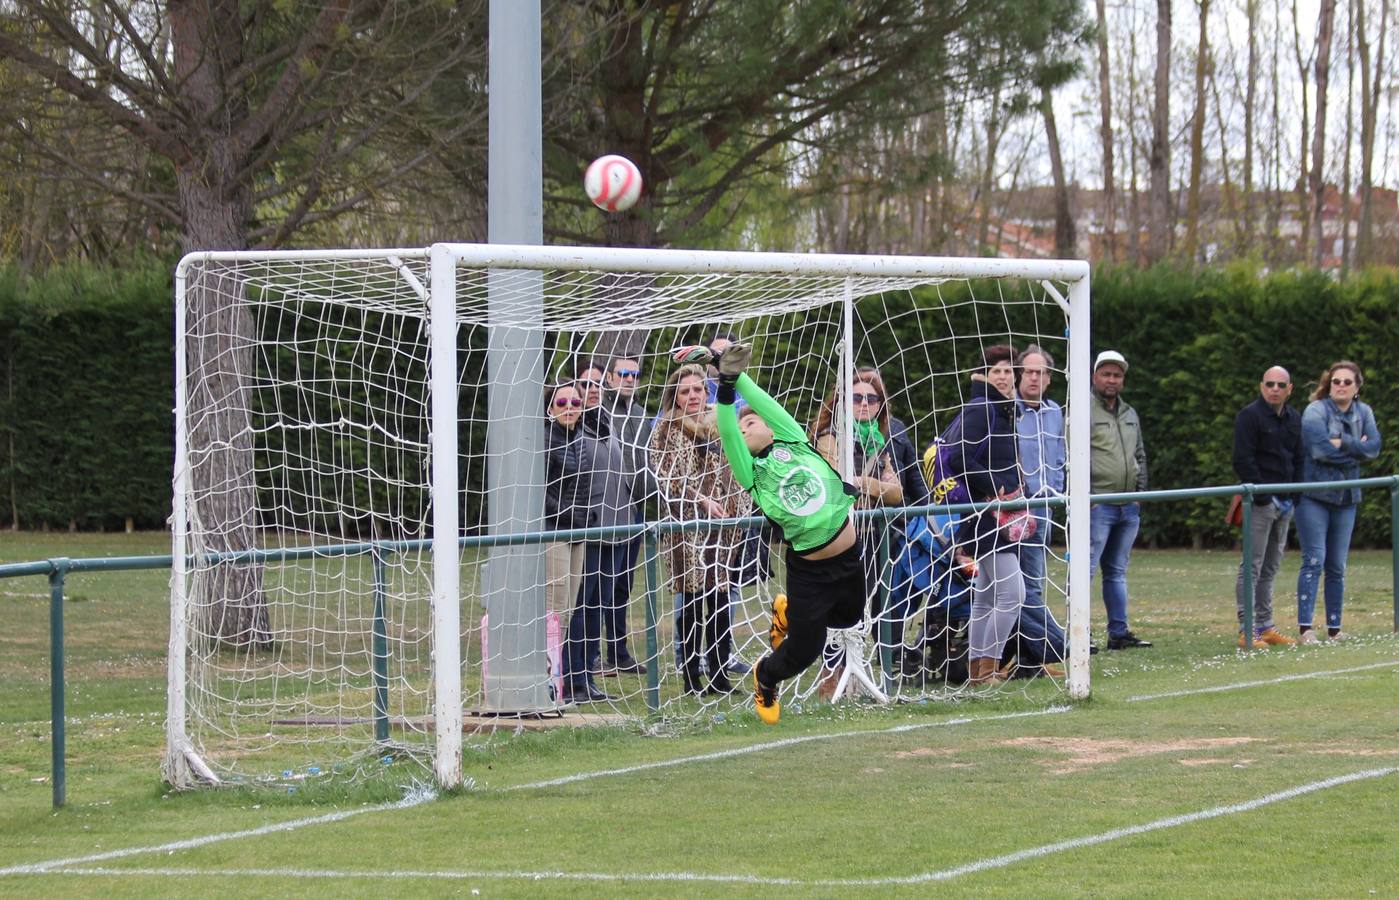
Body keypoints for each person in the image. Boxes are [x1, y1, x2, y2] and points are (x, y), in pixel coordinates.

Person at [675, 342, 865, 725]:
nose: (744, 428)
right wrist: (723, 388)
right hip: (810, 571)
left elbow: (761, 401)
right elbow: (727, 427)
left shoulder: (793, 439)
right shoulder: (752, 473)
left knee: (850, 618)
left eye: (752, 422)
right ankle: (765, 677)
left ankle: (789, 613)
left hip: (849, 557)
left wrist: (728, 369)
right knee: (802, 653)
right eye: (741, 427)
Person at [648, 363, 751, 695]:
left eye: (697, 389)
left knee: (720, 600)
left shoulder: (721, 423)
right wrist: (701, 500)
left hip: (721, 528)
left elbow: (734, 464)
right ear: (675, 397)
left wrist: (738, 501)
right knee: (691, 602)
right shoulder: (666, 429)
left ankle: (720, 673)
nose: (692, 396)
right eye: (684, 391)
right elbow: (665, 475)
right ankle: (691, 677)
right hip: (686, 527)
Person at [946, 344, 1029, 685]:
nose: (1004, 375)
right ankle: (988, 668)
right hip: (989, 514)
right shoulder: (982, 407)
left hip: (993, 513)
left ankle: (979, 671)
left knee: (986, 595)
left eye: (1009, 370)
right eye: (996, 370)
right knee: (1013, 595)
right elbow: (957, 458)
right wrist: (995, 487)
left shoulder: (1003, 409)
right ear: (984, 375)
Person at [1295, 361, 1381, 644]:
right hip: (1315, 496)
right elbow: (1318, 450)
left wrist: (1342, 442)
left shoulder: (1364, 411)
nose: (1341, 386)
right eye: (1336, 381)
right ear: (1328, 384)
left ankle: (1335, 629)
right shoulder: (1315, 411)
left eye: (1347, 382)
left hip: (1347, 497)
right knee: (1314, 560)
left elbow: (1374, 449)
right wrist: (1356, 449)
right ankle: (1306, 629)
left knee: (1337, 565)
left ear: (1357, 387)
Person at [543, 381, 613, 704]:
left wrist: (586, 518)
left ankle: (565, 681)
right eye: (562, 402)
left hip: (577, 533)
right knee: (554, 610)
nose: (569, 407)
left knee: (569, 610)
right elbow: (542, 495)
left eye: (575, 402)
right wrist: (571, 517)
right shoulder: (545, 441)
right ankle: (550, 683)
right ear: (550, 407)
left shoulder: (582, 441)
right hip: (556, 532)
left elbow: (584, 489)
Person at [1231, 366, 1304, 648]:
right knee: (1252, 564)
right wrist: (1261, 496)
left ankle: (1265, 626)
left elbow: (1299, 457)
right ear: (1262, 386)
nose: (1275, 389)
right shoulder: (1249, 417)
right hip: (1262, 501)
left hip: (1286, 501)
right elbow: (1242, 459)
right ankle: (1246, 629)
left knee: (1271, 566)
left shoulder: (1293, 418)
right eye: (1270, 384)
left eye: (1280, 384)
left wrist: (1295, 495)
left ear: (1289, 389)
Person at [1087, 349, 1152, 650]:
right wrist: (1087, 498)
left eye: (1117, 375)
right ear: (1094, 376)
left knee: (1116, 571)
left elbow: (1140, 454)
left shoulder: (1130, 413)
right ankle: (1079, 632)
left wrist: (1139, 494)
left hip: (1128, 506)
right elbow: (1071, 456)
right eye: (1106, 374)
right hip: (1097, 505)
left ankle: (1119, 632)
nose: (1112, 380)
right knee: (1085, 570)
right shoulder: (1082, 409)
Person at [1009, 345, 1067, 676]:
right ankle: (1053, 646)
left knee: (1033, 581)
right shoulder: (1006, 409)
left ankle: (1030, 657)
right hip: (1013, 509)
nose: (1034, 377)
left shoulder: (1054, 411)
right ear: (1019, 374)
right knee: (1013, 585)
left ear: (1049, 378)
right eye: (1029, 371)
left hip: (1044, 507)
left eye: (1041, 372)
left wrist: (1056, 488)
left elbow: (1057, 453)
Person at [600, 354, 652, 675]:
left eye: (635, 375)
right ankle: (591, 655)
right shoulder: (600, 413)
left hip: (634, 511)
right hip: (605, 513)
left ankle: (618, 651)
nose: (630, 380)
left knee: (623, 584)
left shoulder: (641, 415)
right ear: (609, 378)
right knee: (599, 586)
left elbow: (645, 462)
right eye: (623, 374)